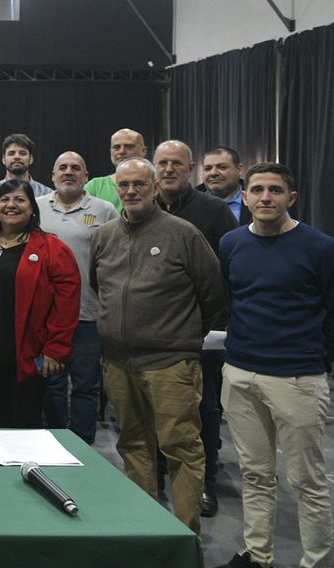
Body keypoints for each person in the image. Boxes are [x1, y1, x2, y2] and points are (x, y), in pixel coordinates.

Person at [89, 157, 226, 536]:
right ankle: (146, 533)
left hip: (171, 363)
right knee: (133, 445)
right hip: (118, 362)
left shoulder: (183, 234)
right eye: (124, 185)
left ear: (154, 188)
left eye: (139, 184)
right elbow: (100, 288)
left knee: (180, 448)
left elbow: (213, 295)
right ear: (117, 189)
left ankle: (185, 538)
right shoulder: (103, 236)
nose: (131, 191)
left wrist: (181, 336)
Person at [218, 163, 334, 568]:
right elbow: (233, 299)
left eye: (275, 190)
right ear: (245, 196)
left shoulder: (320, 247)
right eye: (257, 190)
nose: (265, 197)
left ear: (291, 198)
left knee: (307, 480)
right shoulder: (231, 243)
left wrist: (316, 360)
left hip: (297, 378)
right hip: (240, 373)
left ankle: (316, 560)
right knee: (255, 474)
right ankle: (258, 555)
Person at [154, 138, 237, 517]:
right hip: (153, 331)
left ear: (190, 169)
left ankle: (204, 482)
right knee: (155, 408)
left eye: (177, 163)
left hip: (201, 333)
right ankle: (156, 477)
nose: (169, 169)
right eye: (163, 163)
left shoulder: (214, 211)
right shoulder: (143, 206)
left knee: (203, 409)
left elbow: (229, 272)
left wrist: (215, 324)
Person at [0, 180, 80, 428]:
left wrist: (56, 349)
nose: (11, 205)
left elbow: (67, 303)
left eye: (19, 199)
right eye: (4, 199)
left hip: (29, 352)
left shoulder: (52, 248)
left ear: (32, 208)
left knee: (25, 423)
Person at [35, 152, 117, 443]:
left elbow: (115, 259)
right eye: (62, 167)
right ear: (53, 175)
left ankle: (83, 444)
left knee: (86, 386)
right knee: (51, 384)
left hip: (89, 315)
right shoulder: (37, 207)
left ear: (86, 176)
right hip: (47, 317)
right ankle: (55, 441)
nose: (68, 172)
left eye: (75, 168)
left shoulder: (105, 210)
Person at [83, 128, 147, 213]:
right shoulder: (95, 187)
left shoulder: (155, 183)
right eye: (116, 147)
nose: (122, 151)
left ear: (143, 151)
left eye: (129, 146)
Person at [200, 146, 251, 225]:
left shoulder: (256, 199)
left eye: (222, 167)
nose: (213, 173)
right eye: (208, 168)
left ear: (239, 169)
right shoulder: (189, 203)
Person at [0, 133, 51, 197]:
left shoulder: (47, 194)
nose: (17, 157)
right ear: (3, 159)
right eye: (11, 153)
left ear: (31, 159)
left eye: (22, 153)